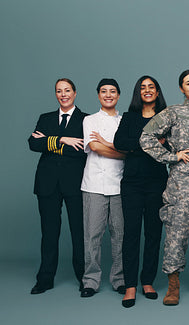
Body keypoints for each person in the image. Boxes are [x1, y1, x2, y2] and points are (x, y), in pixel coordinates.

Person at [140, 69, 189, 306]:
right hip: (180, 183)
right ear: (182, 88)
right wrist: (172, 156)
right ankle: (173, 285)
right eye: (188, 83)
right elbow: (146, 138)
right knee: (176, 234)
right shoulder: (173, 112)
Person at [28, 78, 87, 294]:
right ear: (55, 94)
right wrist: (63, 140)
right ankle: (45, 279)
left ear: (75, 92)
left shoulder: (86, 119)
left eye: (67, 90)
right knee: (49, 233)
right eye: (59, 91)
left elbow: (83, 149)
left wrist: (50, 143)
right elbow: (33, 143)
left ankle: (84, 277)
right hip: (47, 183)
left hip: (75, 183)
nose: (63, 94)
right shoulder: (46, 118)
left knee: (79, 234)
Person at [113, 76, 168, 308]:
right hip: (132, 184)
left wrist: (138, 146)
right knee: (132, 234)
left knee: (154, 234)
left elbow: (171, 145)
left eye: (151, 87)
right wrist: (150, 143)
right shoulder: (129, 117)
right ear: (138, 93)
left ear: (157, 92)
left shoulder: (166, 117)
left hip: (157, 182)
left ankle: (148, 281)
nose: (147, 91)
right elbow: (119, 142)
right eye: (142, 88)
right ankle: (131, 285)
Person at [80, 78, 126, 298]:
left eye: (113, 91)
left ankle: (119, 279)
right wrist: (119, 149)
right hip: (94, 185)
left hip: (119, 184)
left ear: (118, 96)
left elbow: (132, 151)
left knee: (120, 235)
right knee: (92, 236)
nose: (108, 95)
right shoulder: (89, 120)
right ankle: (90, 280)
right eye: (104, 91)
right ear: (98, 95)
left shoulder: (125, 121)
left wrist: (112, 146)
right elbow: (95, 147)